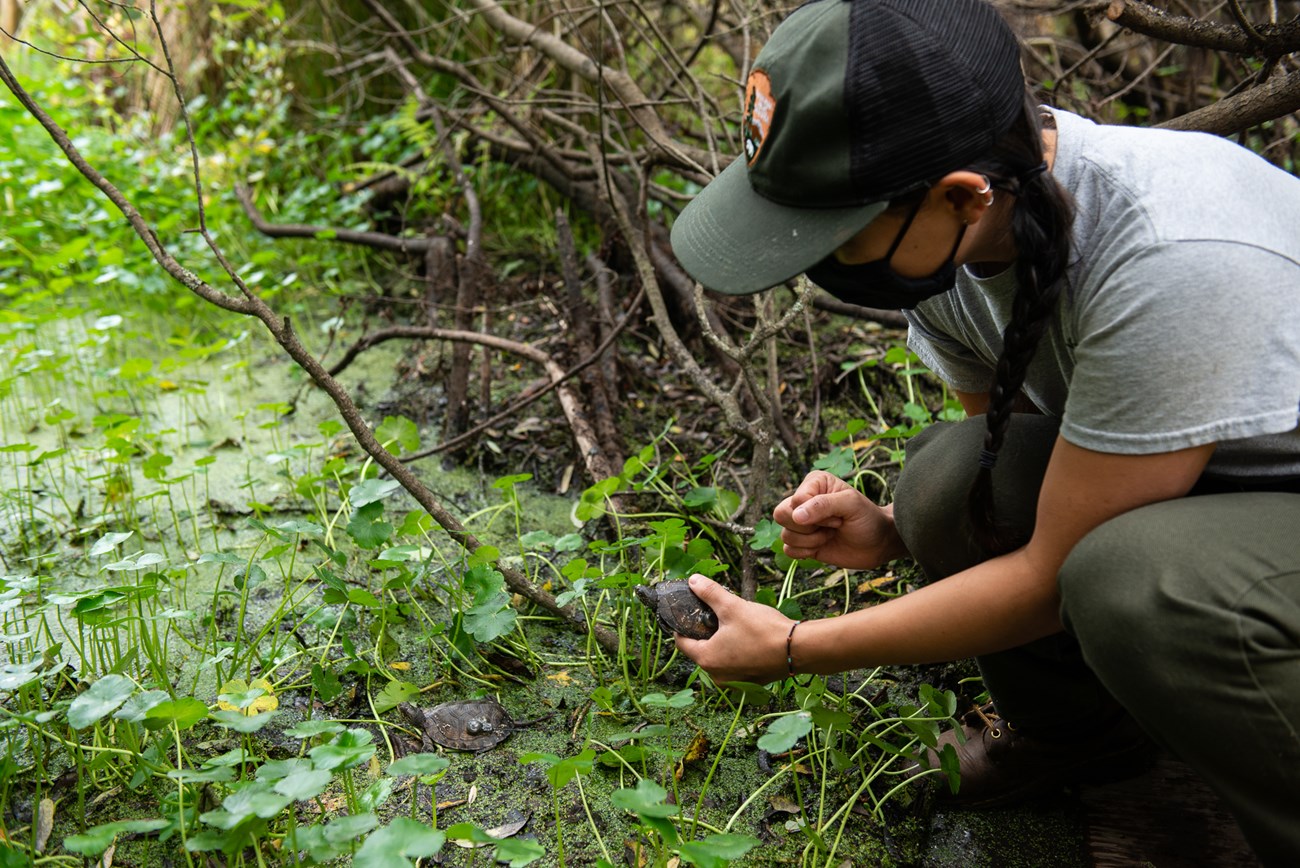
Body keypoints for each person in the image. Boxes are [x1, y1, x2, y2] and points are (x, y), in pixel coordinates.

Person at [666, 0, 1300, 864]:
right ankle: (1085, 745)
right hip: (1212, 484)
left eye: (833, 235)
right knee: (945, 483)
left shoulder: (1168, 252)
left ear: (963, 196)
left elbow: (1050, 577)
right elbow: (1022, 479)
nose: (809, 261)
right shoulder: (962, 244)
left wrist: (791, 648)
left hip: (1271, 503)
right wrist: (894, 532)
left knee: (1137, 583)